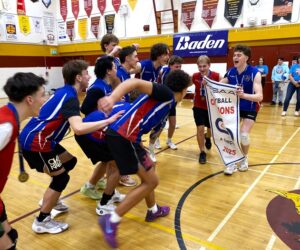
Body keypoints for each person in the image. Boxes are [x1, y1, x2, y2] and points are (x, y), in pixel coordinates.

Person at [19, 60, 122, 234]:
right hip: (37, 142)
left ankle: (52, 198)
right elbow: (79, 128)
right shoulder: (69, 98)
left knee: (69, 161)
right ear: (78, 77)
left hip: (42, 140)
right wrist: (108, 120)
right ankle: (42, 220)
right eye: (86, 73)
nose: (89, 76)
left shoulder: (65, 92)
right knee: (61, 179)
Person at [98, 69, 191, 248]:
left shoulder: (168, 102)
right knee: (151, 182)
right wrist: (112, 98)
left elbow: (142, 117)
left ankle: (153, 210)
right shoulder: (165, 94)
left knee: (150, 171)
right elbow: (134, 83)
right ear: (183, 90)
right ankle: (112, 220)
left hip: (129, 138)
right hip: (122, 137)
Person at [0, 73, 46, 249]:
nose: (45, 99)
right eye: (42, 95)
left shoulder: (10, 118)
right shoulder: (6, 125)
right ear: (29, 100)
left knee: (11, 235)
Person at [81, 56, 137, 190]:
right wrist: (103, 113)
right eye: (114, 67)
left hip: (102, 127)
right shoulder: (97, 89)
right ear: (108, 71)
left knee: (108, 160)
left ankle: (97, 183)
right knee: (114, 160)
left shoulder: (106, 86)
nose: (117, 69)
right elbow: (85, 109)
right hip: (93, 131)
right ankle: (105, 192)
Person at [221, 45, 263, 175]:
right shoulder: (230, 72)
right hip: (235, 107)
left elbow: (259, 96)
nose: (235, 57)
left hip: (250, 106)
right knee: (231, 134)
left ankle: (244, 158)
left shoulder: (254, 72)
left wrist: (244, 95)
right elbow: (219, 84)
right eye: (234, 55)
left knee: (244, 135)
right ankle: (232, 161)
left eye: (239, 55)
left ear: (246, 57)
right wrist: (208, 83)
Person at [148, 55, 183, 162]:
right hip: (163, 102)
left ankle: (169, 140)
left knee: (172, 123)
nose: (179, 69)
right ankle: (152, 149)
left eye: (180, 67)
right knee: (160, 125)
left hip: (172, 102)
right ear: (171, 66)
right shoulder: (165, 74)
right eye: (176, 67)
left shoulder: (179, 75)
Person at [192, 55, 221, 164]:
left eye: (204, 66)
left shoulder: (217, 76)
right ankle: (202, 152)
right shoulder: (195, 76)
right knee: (200, 128)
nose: (202, 69)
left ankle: (208, 137)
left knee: (210, 130)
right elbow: (186, 85)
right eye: (200, 66)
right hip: (198, 106)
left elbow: (222, 89)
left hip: (212, 108)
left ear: (209, 65)